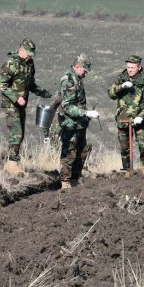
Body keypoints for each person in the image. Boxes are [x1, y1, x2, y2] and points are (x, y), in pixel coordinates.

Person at [0, 37, 52, 176]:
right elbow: (2, 84)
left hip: (22, 105)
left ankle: (12, 163)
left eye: (31, 55)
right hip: (11, 104)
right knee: (17, 133)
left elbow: (31, 84)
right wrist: (16, 97)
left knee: (20, 135)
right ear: (20, 50)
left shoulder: (29, 64)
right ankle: (11, 165)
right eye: (28, 54)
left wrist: (43, 92)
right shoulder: (10, 64)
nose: (29, 57)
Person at [108, 55, 144, 177]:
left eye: (132, 67)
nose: (130, 70)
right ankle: (127, 170)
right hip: (123, 117)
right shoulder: (121, 78)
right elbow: (111, 94)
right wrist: (121, 87)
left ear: (139, 67)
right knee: (124, 147)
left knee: (143, 144)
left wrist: (142, 116)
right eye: (128, 67)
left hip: (139, 118)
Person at [57, 54, 98, 190]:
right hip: (70, 123)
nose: (86, 73)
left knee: (82, 150)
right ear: (77, 66)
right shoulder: (68, 80)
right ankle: (65, 182)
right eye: (84, 70)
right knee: (69, 152)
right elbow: (67, 106)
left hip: (79, 123)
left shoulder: (77, 78)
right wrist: (85, 112)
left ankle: (75, 178)